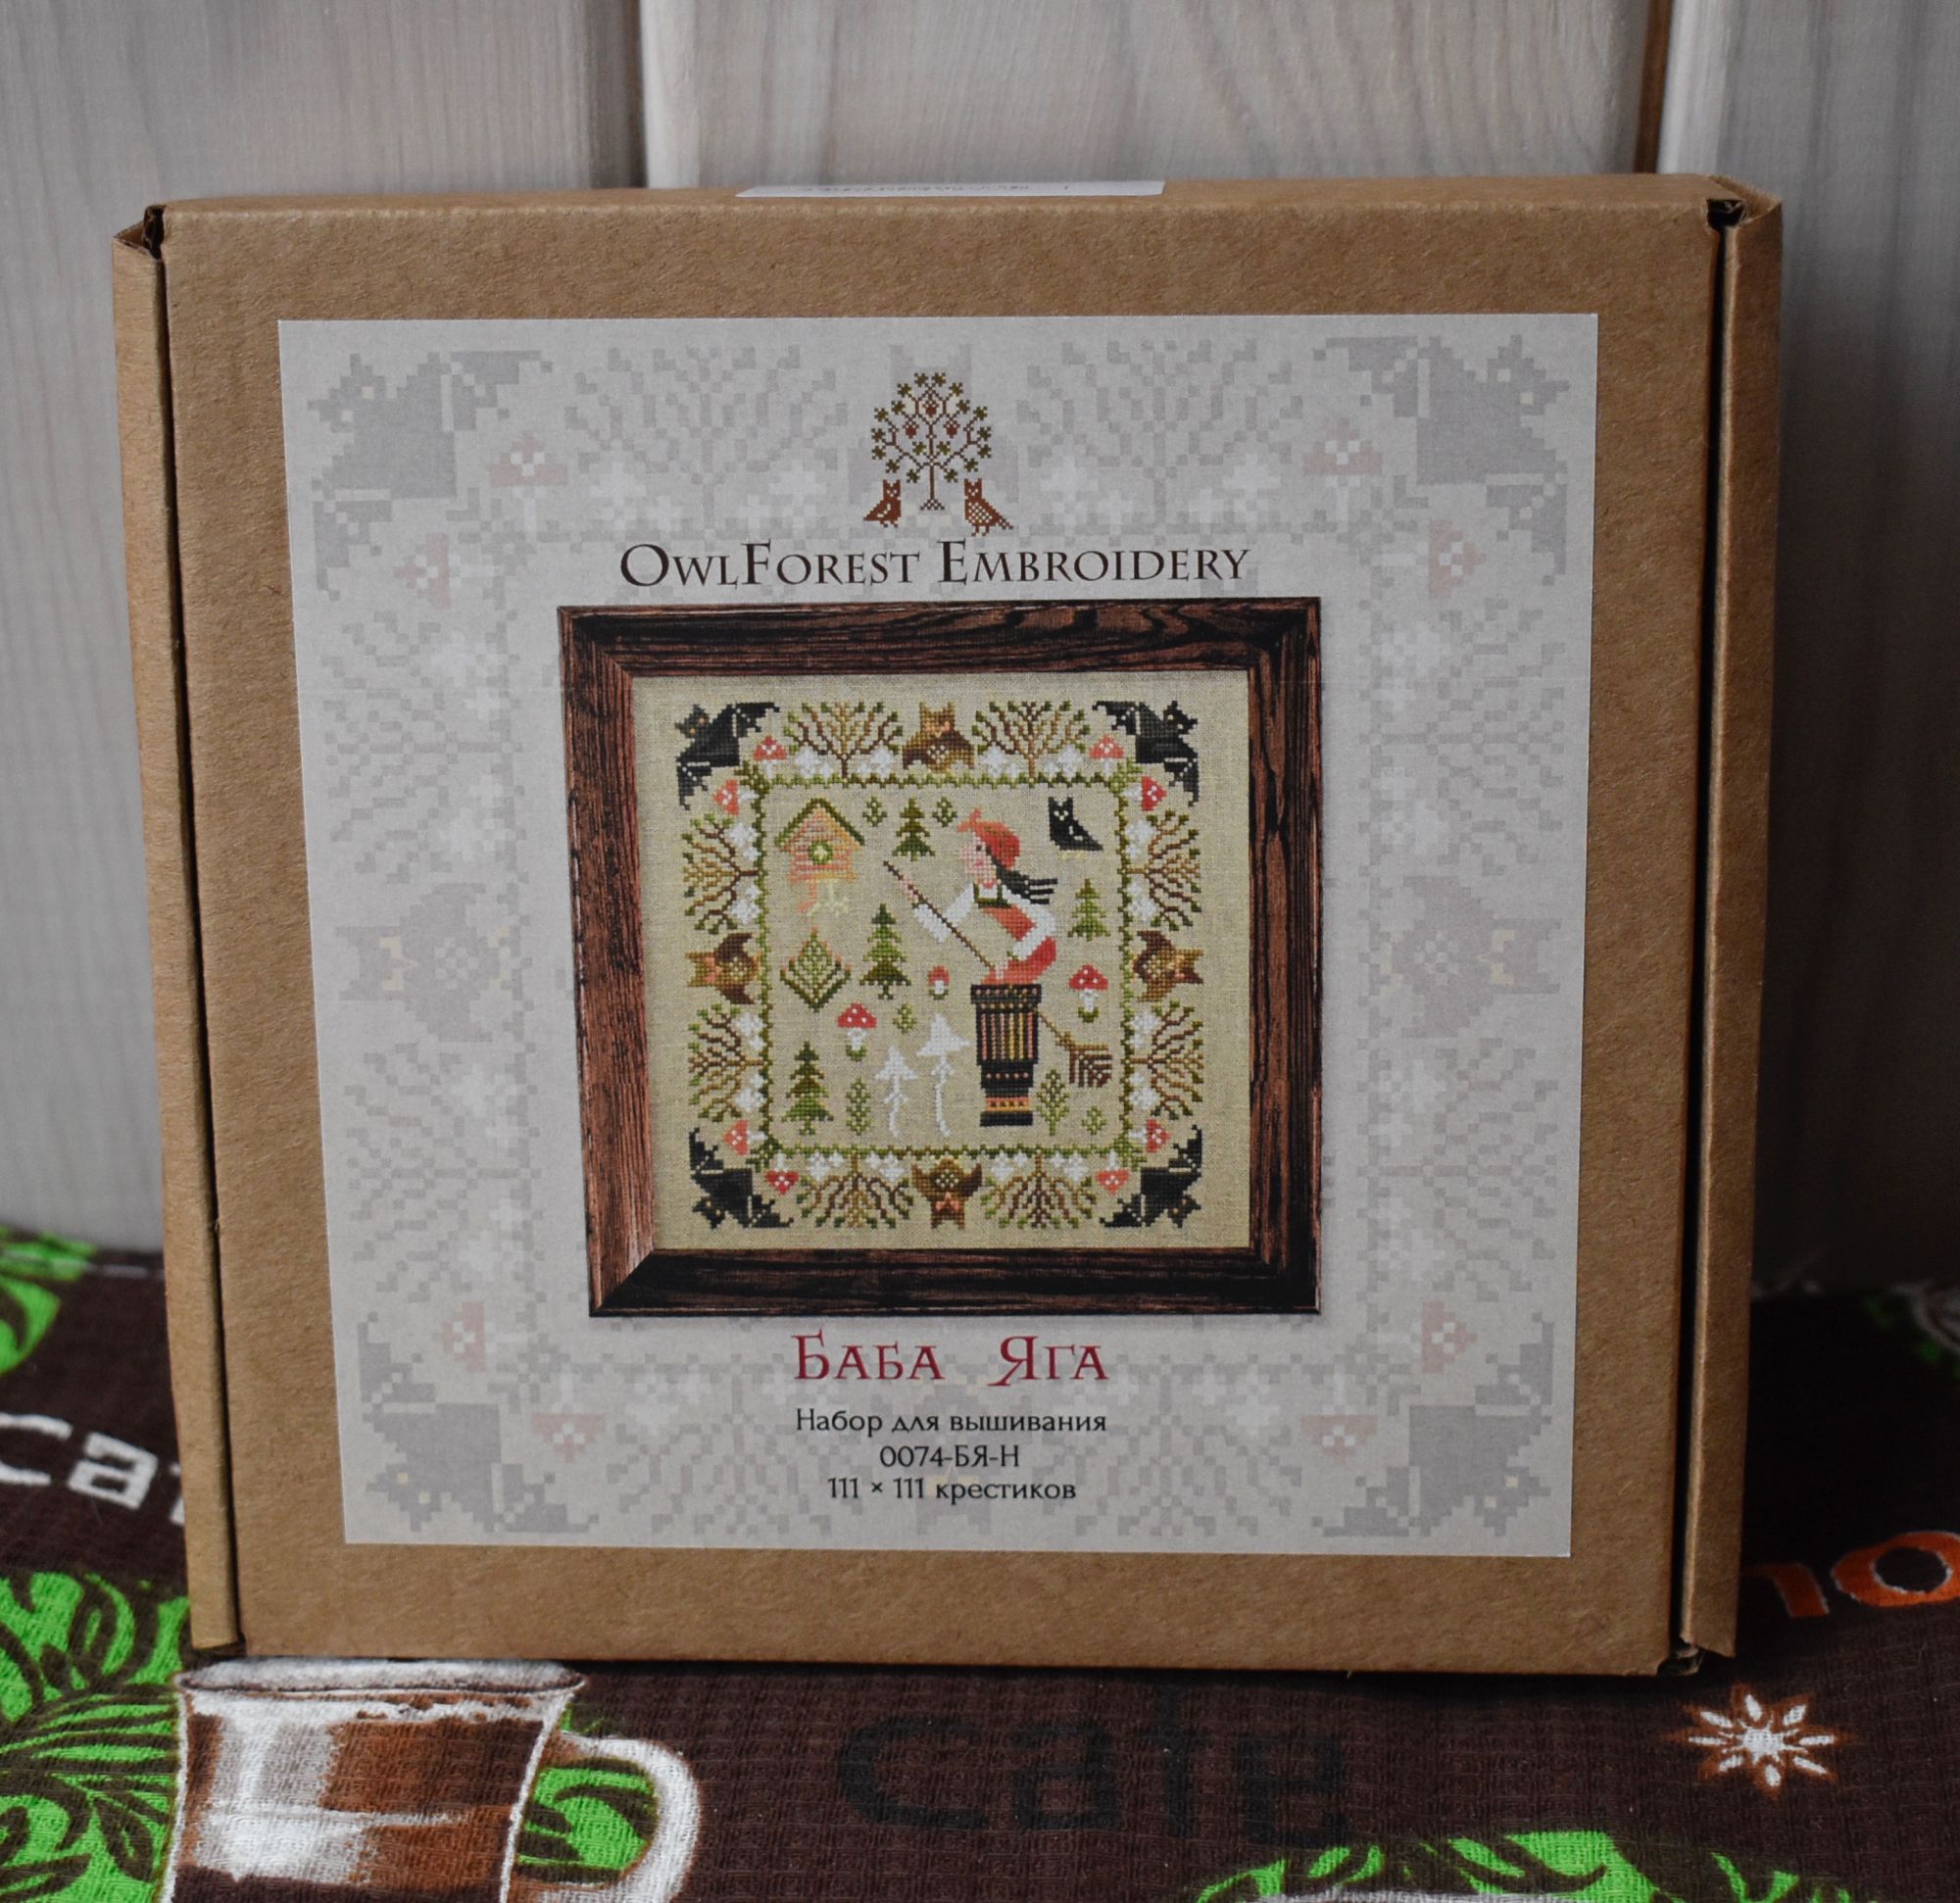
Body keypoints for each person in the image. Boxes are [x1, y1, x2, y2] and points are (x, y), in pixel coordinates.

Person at [896, 810, 1057, 985]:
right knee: (991, 988)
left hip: (1039, 952)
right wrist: (915, 901)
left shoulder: (1009, 890)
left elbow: (1047, 923)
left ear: (994, 857)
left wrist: (1014, 956)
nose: (965, 854)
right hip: (1017, 958)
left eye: (977, 848)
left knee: (996, 988)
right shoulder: (976, 891)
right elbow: (942, 929)